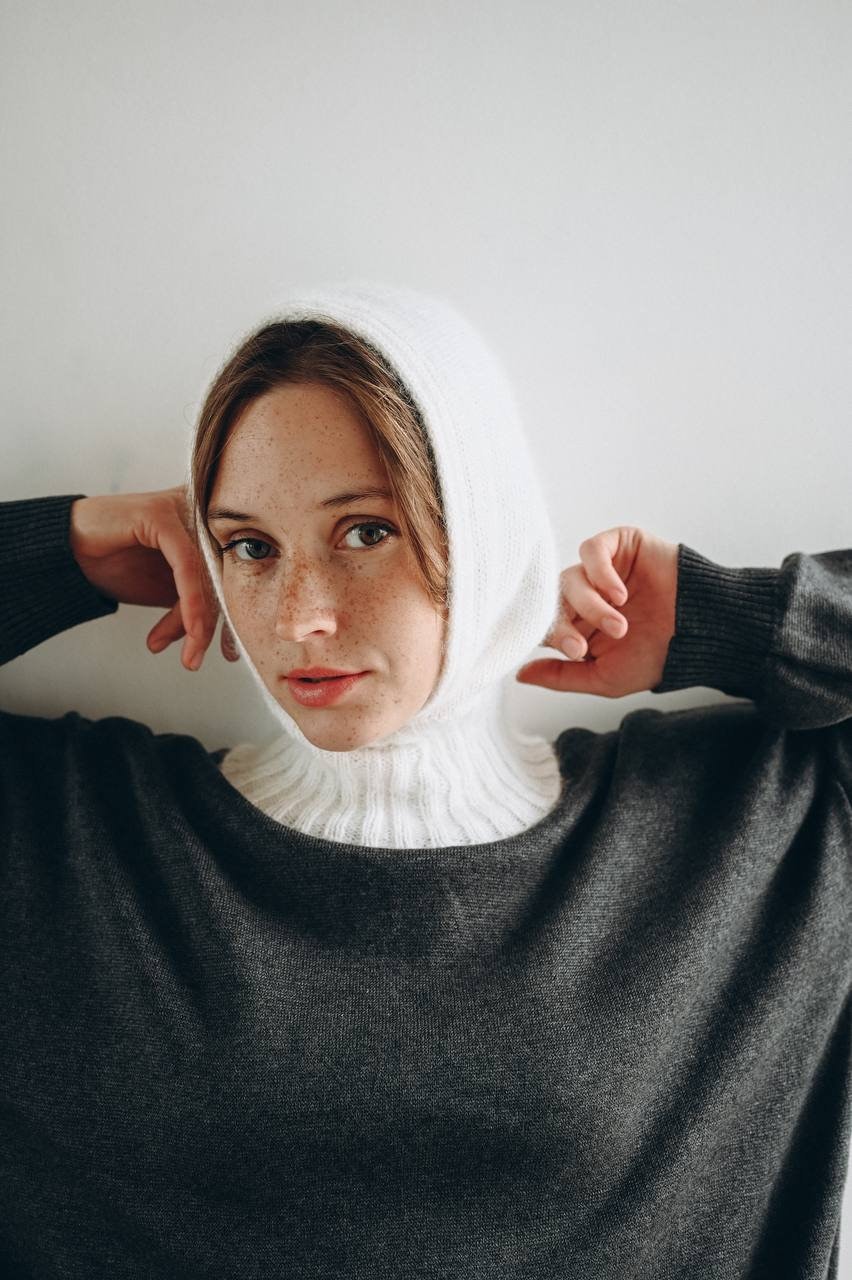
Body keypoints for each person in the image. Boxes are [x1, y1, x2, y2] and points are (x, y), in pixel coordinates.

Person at [0, 280, 849, 1279]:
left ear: (486, 528)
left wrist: (726, 618)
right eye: (250, 546)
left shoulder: (740, 828)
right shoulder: (76, 838)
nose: (299, 616)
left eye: (366, 530)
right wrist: (66, 550)